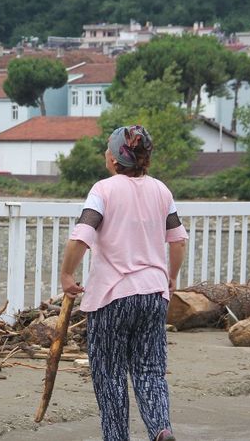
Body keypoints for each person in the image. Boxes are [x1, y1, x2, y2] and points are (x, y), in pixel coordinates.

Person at [59, 125, 188, 441]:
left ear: (116, 159)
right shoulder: (161, 190)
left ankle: (116, 437)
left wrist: (66, 275)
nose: (105, 153)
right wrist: (170, 277)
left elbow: (82, 236)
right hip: (153, 295)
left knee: (110, 375)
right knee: (150, 371)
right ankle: (160, 427)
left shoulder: (104, 190)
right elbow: (179, 240)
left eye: (108, 148)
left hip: (112, 296)